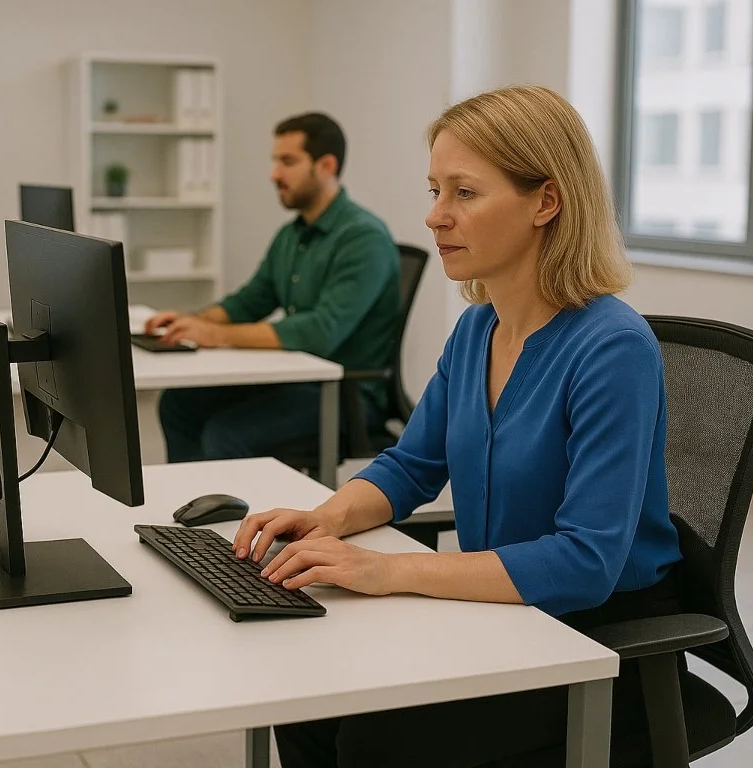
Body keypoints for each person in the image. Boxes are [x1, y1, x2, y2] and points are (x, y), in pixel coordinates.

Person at [232, 85, 684, 767]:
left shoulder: (611, 347)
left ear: (546, 202)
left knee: (370, 737)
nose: (435, 216)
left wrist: (387, 571)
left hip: (595, 641)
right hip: (503, 613)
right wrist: (324, 520)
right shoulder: (478, 328)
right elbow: (412, 465)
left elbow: (586, 562)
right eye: (435, 190)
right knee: (304, 696)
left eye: (464, 193)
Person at [144, 112, 400, 463]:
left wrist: (216, 335)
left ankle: (234, 517)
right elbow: (251, 301)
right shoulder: (291, 235)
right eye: (275, 161)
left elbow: (319, 331)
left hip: (345, 394)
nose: (274, 174)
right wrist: (191, 323)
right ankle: (191, 512)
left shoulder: (363, 238)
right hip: (298, 376)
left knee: (226, 434)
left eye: (287, 161)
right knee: (179, 403)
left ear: (326, 166)